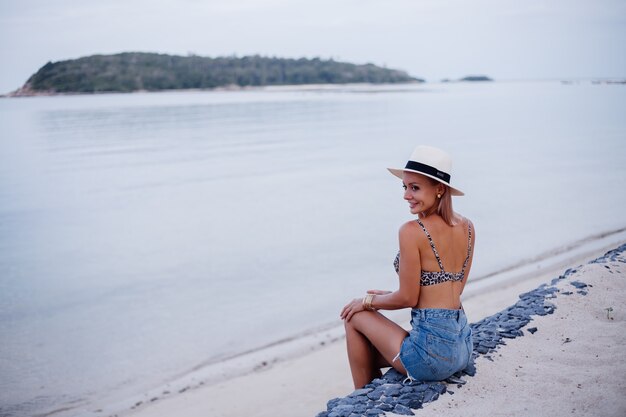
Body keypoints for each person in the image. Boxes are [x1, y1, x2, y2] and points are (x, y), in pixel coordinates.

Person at [340, 145, 475, 389]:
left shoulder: (412, 231)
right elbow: (454, 290)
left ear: (439, 190)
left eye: (415, 188)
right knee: (367, 348)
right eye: (405, 187)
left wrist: (368, 301)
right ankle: (370, 398)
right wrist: (387, 296)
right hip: (462, 347)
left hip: (431, 356)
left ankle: (362, 398)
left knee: (355, 315)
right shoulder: (467, 227)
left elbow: (408, 297)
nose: (406, 195)